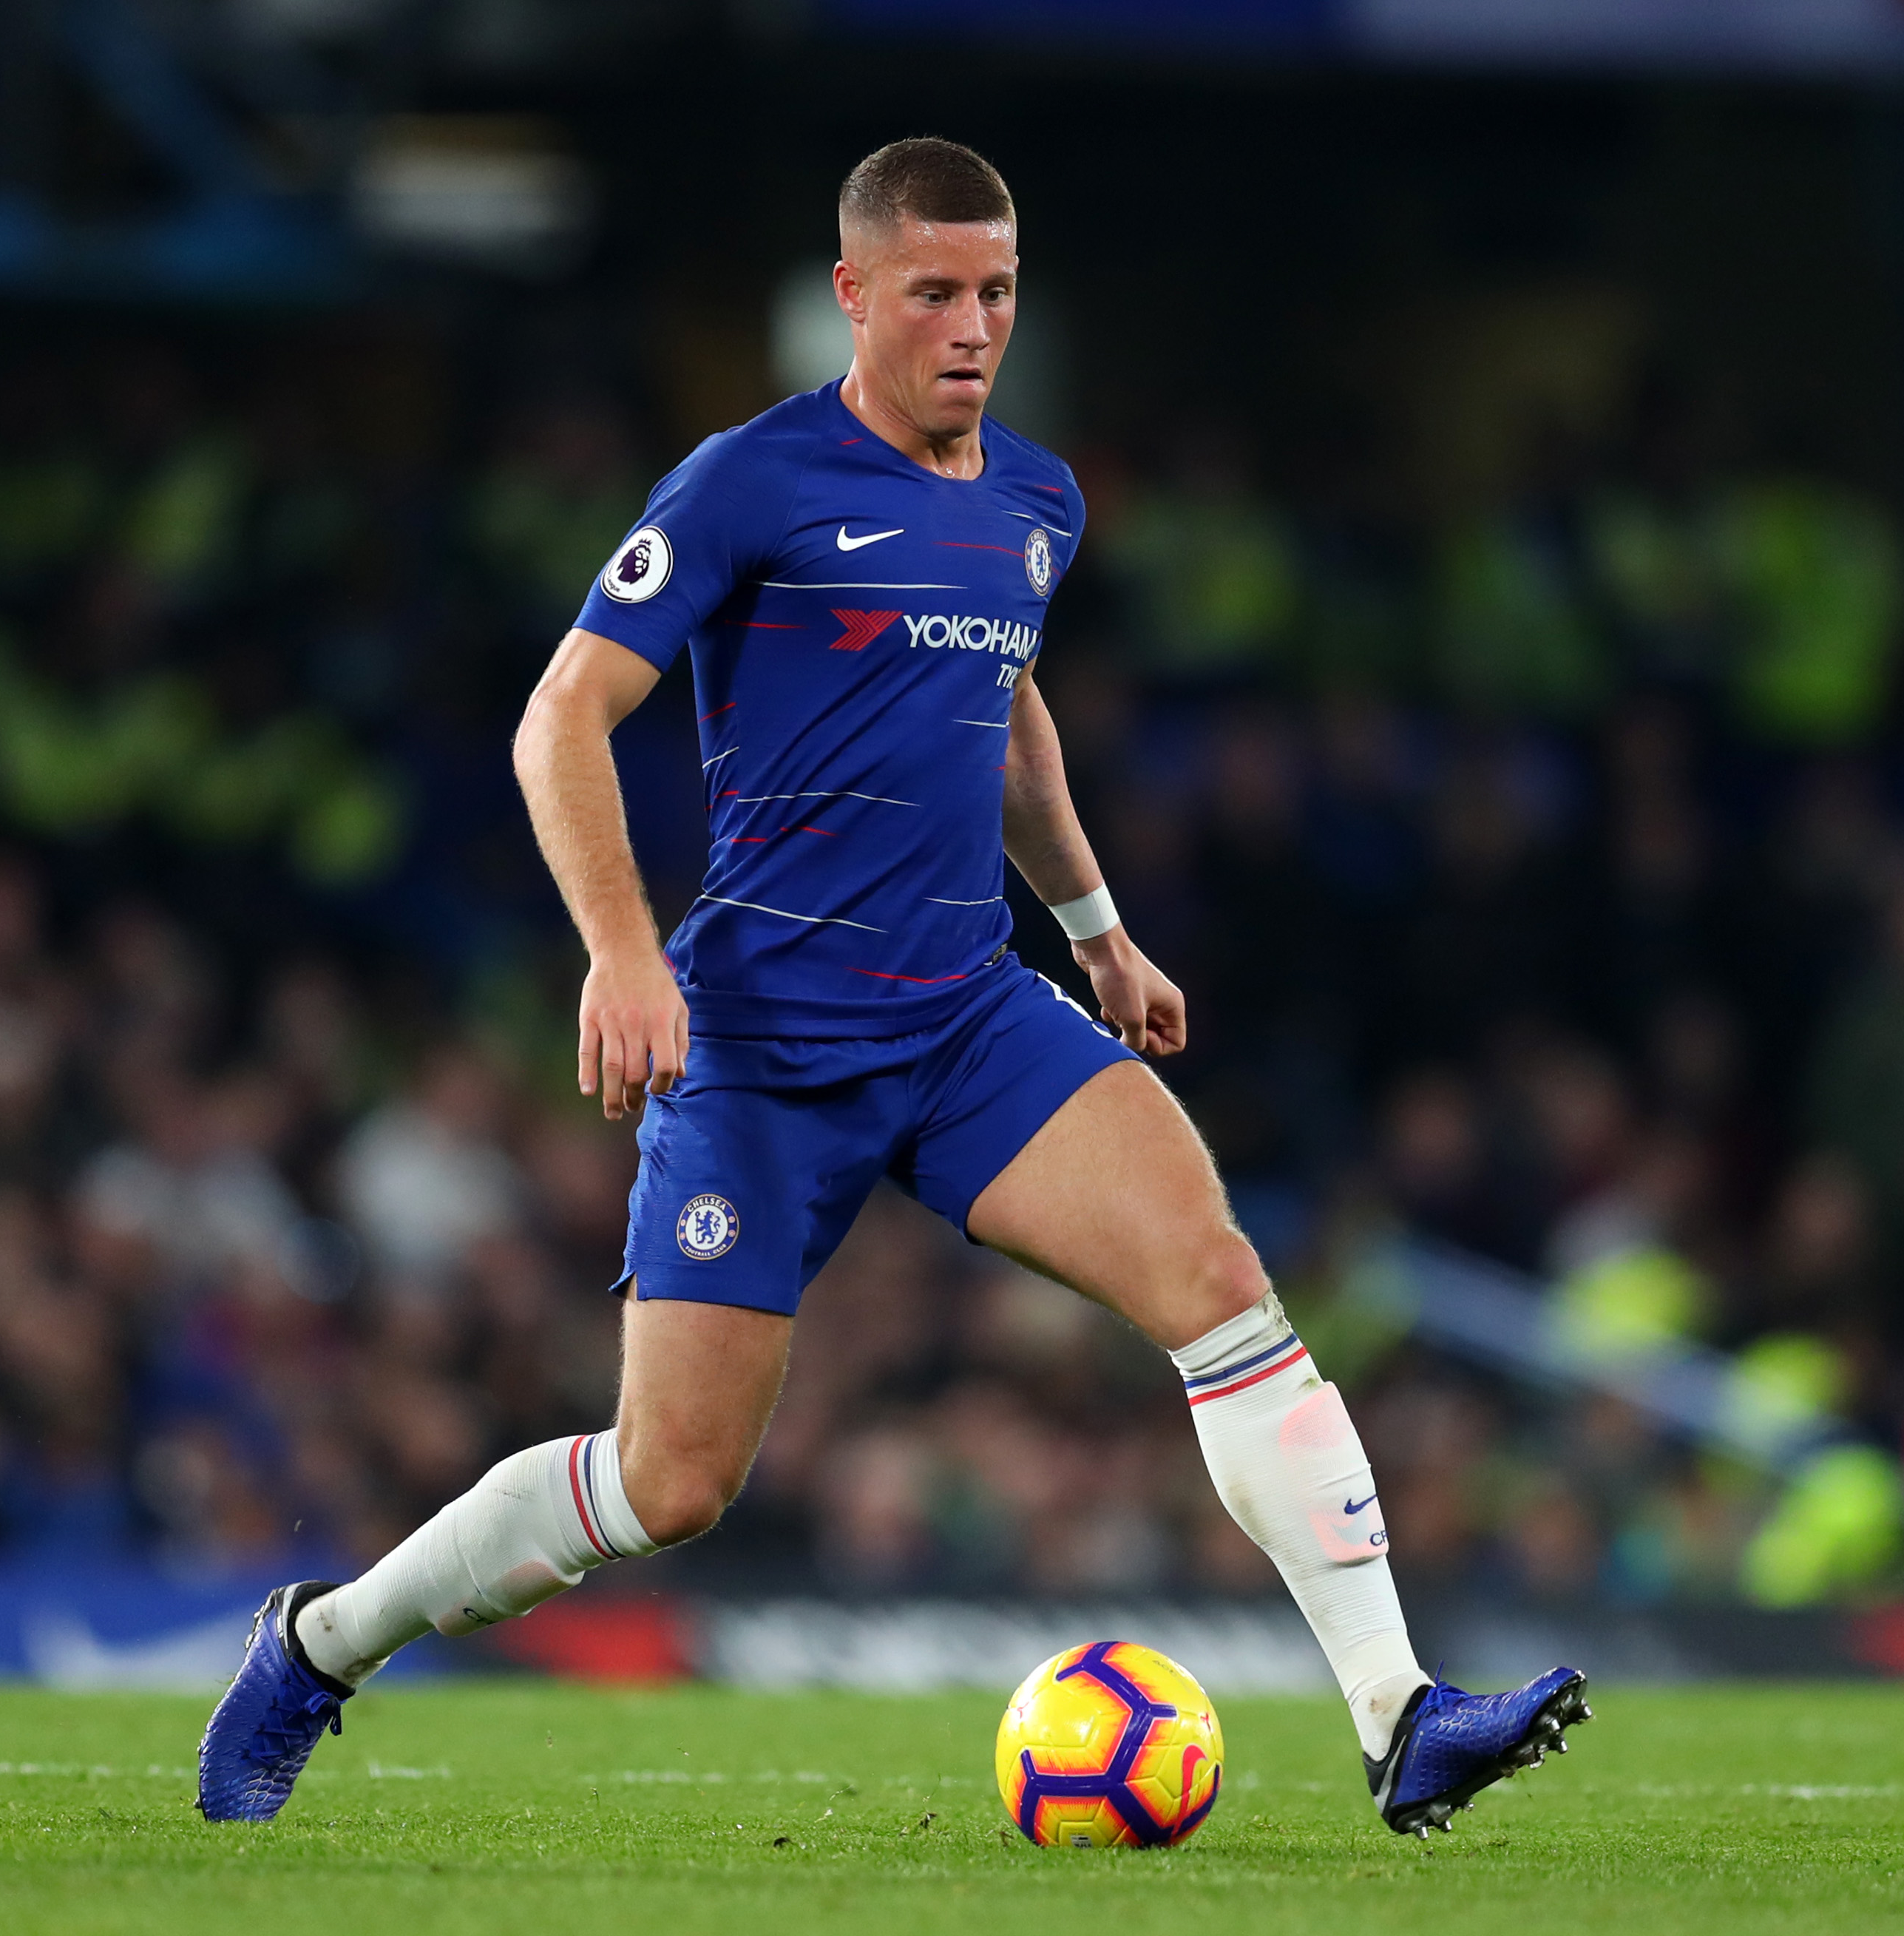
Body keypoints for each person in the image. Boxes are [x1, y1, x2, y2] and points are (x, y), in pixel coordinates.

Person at [194, 138, 1589, 1835]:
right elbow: (560, 718)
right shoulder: (749, 480)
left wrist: (1095, 930)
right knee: (671, 1482)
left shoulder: (1037, 501)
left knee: (1222, 1284)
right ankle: (320, 1646)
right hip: (765, 1041)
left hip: (967, 1015)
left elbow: (1003, 711)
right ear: (853, 294)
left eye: (997, 291)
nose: (973, 326)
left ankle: (1399, 1713)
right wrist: (621, 952)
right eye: (935, 292)